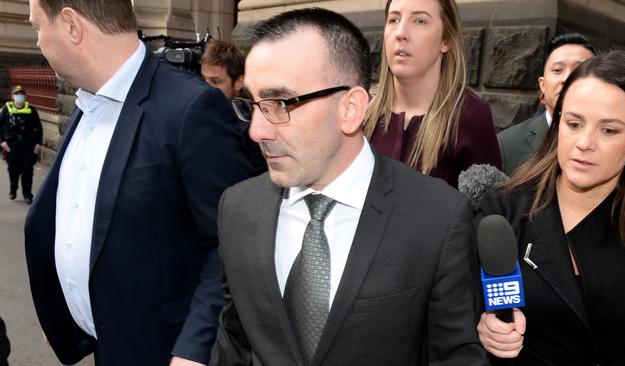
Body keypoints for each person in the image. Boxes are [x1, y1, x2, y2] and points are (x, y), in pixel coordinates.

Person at [214, 8, 489, 366]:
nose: (257, 131)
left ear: (351, 107)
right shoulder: (237, 210)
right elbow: (232, 343)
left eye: (280, 103)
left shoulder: (438, 218)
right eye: (251, 103)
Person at [24, 0, 252, 365]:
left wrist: (195, 348)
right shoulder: (89, 104)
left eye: (38, 27)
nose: (37, 41)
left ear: (71, 25)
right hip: (106, 345)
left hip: (166, 352)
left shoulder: (191, 108)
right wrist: (66, 308)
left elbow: (234, 243)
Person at [476, 50, 625, 365]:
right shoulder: (500, 212)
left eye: (608, 130)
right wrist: (480, 326)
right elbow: (449, 312)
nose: (585, 142)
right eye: (573, 123)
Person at [364, 0, 501, 188]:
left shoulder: (471, 117)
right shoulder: (361, 111)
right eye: (394, 20)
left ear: (446, 41)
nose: (401, 33)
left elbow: (487, 209)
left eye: (419, 21)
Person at [498, 33, 595, 175]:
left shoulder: (614, 144)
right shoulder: (507, 144)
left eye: (578, 70)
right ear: (542, 85)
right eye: (557, 70)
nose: (566, 78)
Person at [200, 39, 266, 175]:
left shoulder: (254, 128)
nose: (205, 88)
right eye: (203, 80)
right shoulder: (189, 117)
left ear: (238, 82)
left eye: (215, 81)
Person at [0, 85, 43, 204]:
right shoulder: (6, 109)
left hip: (27, 144)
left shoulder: (31, 109)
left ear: (24, 96)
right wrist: (2, 142)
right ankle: (13, 188)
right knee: (13, 170)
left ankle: (27, 194)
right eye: (17, 94)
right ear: (12, 96)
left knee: (27, 170)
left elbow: (38, 128)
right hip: (11, 145)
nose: (19, 96)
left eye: (21, 94)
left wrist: (38, 143)